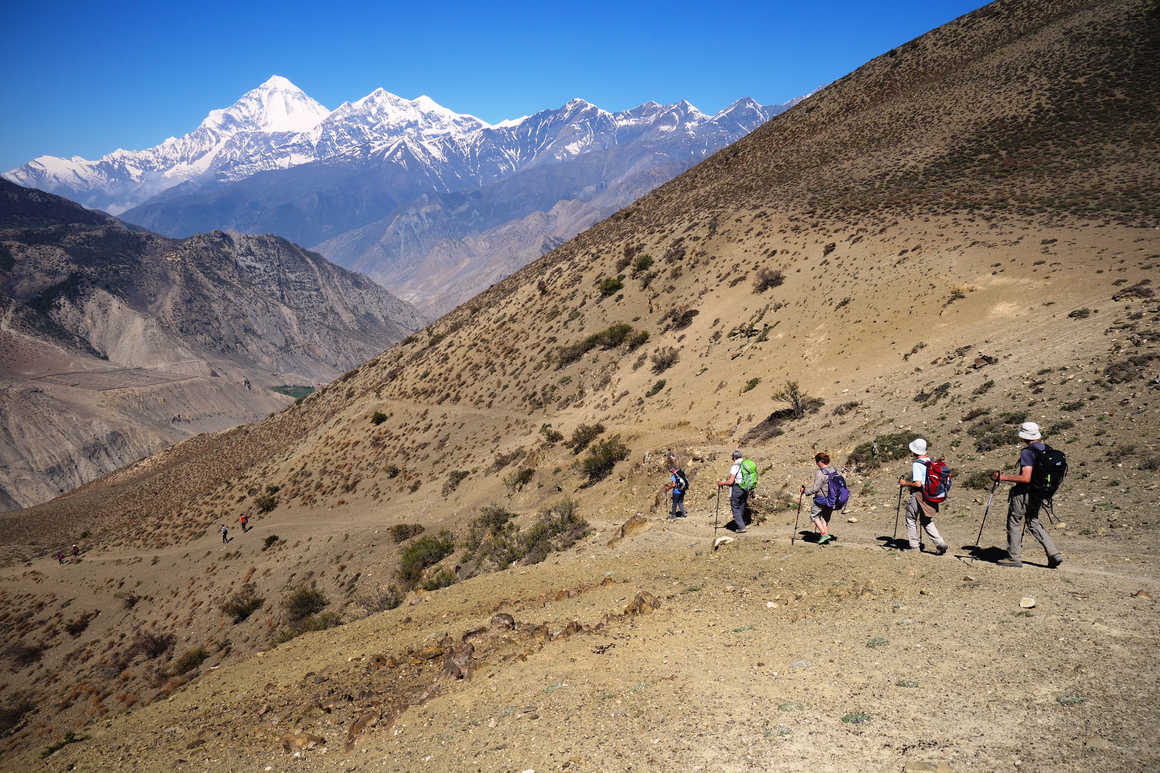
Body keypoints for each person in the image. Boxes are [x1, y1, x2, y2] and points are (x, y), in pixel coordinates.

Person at [993, 422, 1063, 568]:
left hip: (1025, 493)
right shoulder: (1046, 449)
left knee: (1014, 521)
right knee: (1033, 521)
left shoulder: (1027, 452)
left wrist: (1003, 477)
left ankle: (1014, 557)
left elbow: (1026, 478)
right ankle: (1053, 554)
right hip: (1039, 493)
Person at [897, 438, 949, 554]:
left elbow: (918, 483)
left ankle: (914, 547)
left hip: (919, 494)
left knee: (910, 518)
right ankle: (940, 543)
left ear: (914, 451)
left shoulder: (917, 464)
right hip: (931, 495)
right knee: (926, 520)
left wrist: (905, 483)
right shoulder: (930, 461)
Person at [801, 452, 838, 544]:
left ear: (820, 462)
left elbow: (815, 489)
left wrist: (805, 491)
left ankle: (824, 534)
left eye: (816, 462)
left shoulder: (820, 472)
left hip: (822, 499)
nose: (816, 464)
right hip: (833, 498)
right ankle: (824, 536)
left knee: (814, 516)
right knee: (825, 518)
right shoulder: (834, 470)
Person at [717, 450, 754, 533]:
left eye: (732, 458)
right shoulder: (746, 465)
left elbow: (730, 481)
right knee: (741, 505)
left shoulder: (736, 466)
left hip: (737, 488)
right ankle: (740, 523)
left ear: (734, 458)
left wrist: (722, 483)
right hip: (746, 488)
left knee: (735, 506)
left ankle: (741, 527)